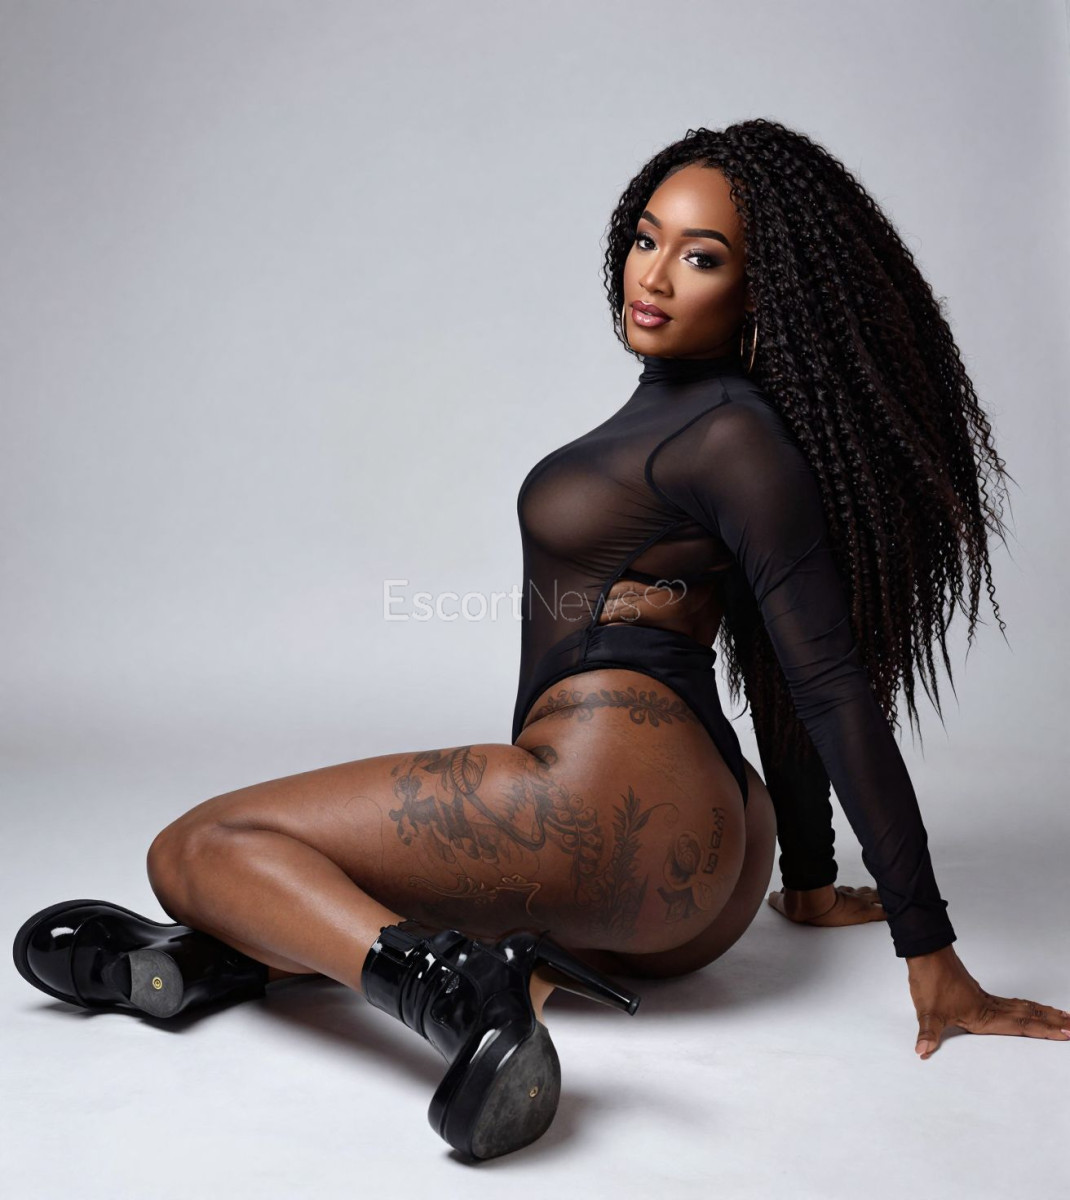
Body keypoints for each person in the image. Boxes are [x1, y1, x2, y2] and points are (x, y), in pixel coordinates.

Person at [13, 118, 1069, 1162]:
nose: (653, 274)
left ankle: (449, 992)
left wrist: (930, 951)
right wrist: (803, 874)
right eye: (647, 238)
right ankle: (216, 962)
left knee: (198, 847)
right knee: (328, 886)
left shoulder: (728, 434)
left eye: (701, 257)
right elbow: (771, 650)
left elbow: (828, 683)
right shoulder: (711, 422)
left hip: (607, 812)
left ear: (762, 292)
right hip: (695, 868)